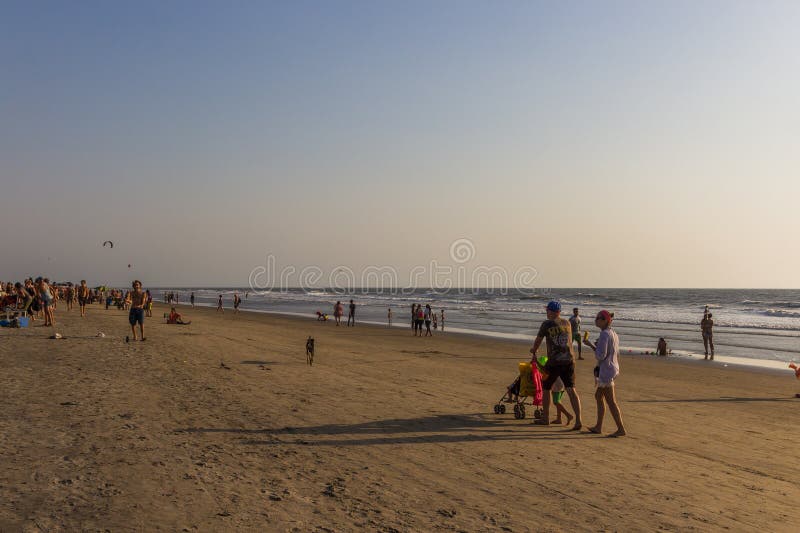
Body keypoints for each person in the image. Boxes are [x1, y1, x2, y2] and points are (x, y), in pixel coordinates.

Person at [530, 301, 582, 430]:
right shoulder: (567, 323)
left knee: (546, 387)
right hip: (569, 361)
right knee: (571, 390)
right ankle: (578, 420)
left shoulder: (547, 324)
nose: (546, 312)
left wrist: (534, 350)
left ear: (554, 312)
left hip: (553, 363)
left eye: (548, 310)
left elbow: (538, 340)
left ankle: (545, 418)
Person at [583, 310, 626, 436]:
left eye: (598, 318)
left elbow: (601, 355)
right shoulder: (613, 333)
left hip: (607, 370)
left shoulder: (604, 334)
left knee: (611, 401)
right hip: (612, 368)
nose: (596, 320)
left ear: (604, 320)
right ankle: (598, 426)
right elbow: (612, 352)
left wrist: (590, 345)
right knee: (598, 397)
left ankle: (621, 428)